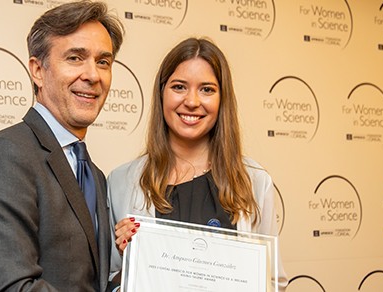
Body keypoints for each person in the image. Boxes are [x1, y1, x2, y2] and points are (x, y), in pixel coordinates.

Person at [0, 1, 124, 291]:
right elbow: (9, 286)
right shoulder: (3, 156)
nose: (93, 75)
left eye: (103, 62)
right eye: (75, 58)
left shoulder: (94, 175)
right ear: (37, 70)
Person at [107, 37, 288, 291]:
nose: (192, 101)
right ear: (162, 93)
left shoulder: (255, 182)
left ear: (222, 100)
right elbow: (112, 278)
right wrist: (131, 261)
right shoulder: (121, 182)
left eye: (207, 89)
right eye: (179, 87)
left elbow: (273, 281)